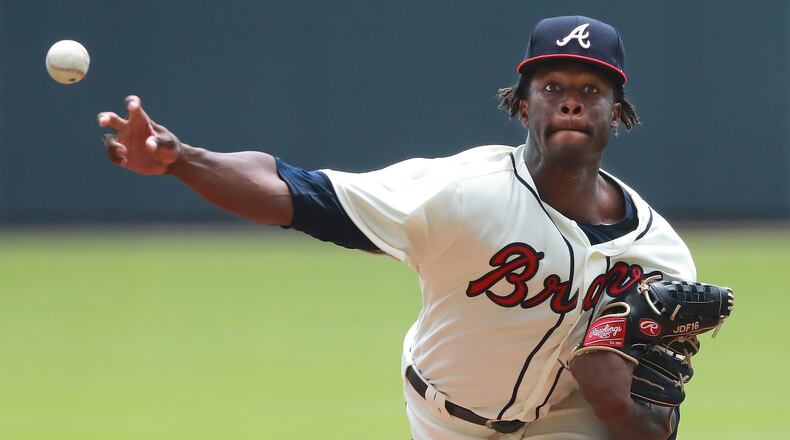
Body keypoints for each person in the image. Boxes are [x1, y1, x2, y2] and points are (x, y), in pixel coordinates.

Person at [99, 16, 694, 440]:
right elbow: (294, 190)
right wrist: (183, 160)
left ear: (617, 113)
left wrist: (619, 404)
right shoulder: (461, 193)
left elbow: (651, 426)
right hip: (445, 417)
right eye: (552, 89)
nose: (570, 103)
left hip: (565, 420)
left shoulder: (660, 259)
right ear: (521, 105)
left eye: (590, 91)